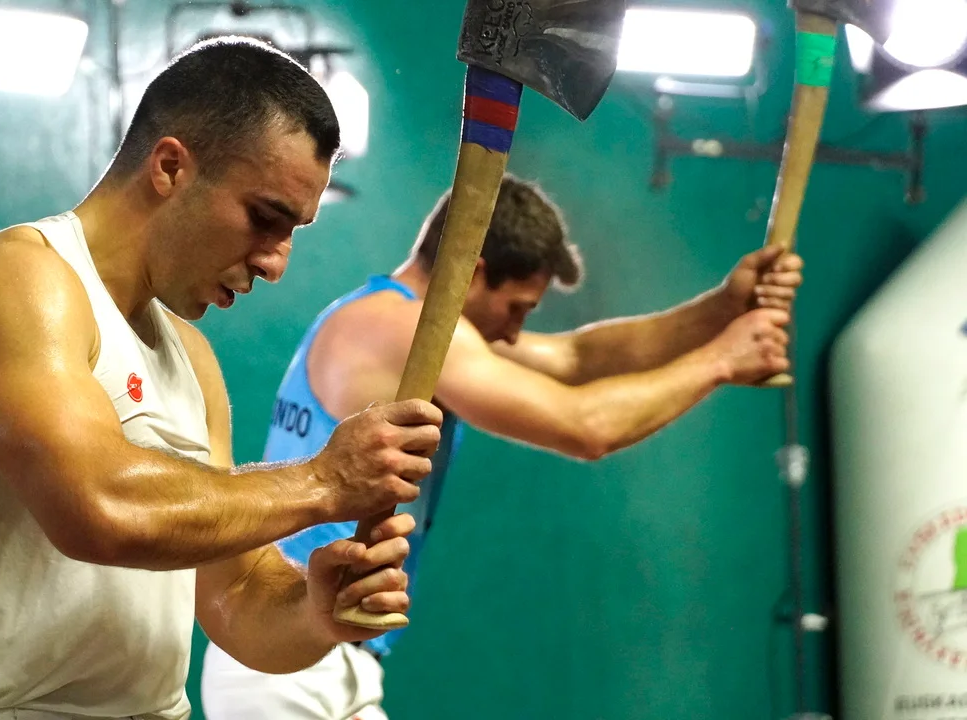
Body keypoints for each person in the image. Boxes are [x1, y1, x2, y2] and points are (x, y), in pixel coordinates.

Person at [0, 38, 446, 720]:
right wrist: (325, 482)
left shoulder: (191, 358)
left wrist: (313, 610)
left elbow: (236, 596)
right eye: (264, 218)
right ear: (170, 167)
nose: (276, 263)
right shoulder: (17, 280)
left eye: (293, 231)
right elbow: (98, 508)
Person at [200, 174, 803, 719]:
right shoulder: (405, 328)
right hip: (287, 648)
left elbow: (577, 358)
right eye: (516, 309)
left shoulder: (399, 320)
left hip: (329, 653)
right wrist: (722, 360)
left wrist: (723, 309)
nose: (515, 333)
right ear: (475, 271)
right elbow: (585, 427)